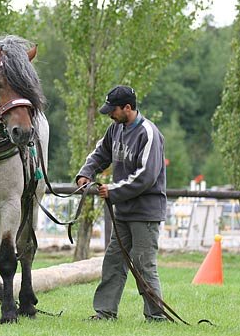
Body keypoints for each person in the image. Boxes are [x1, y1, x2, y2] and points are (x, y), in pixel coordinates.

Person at [75, 85, 167, 322]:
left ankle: (156, 316)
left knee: (143, 264)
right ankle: (105, 312)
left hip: (145, 213)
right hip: (124, 212)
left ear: (128, 108)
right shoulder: (115, 129)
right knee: (114, 261)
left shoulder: (149, 133)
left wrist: (113, 190)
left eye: (113, 110)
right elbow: (100, 153)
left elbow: (146, 175)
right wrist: (86, 172)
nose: (109, 115)